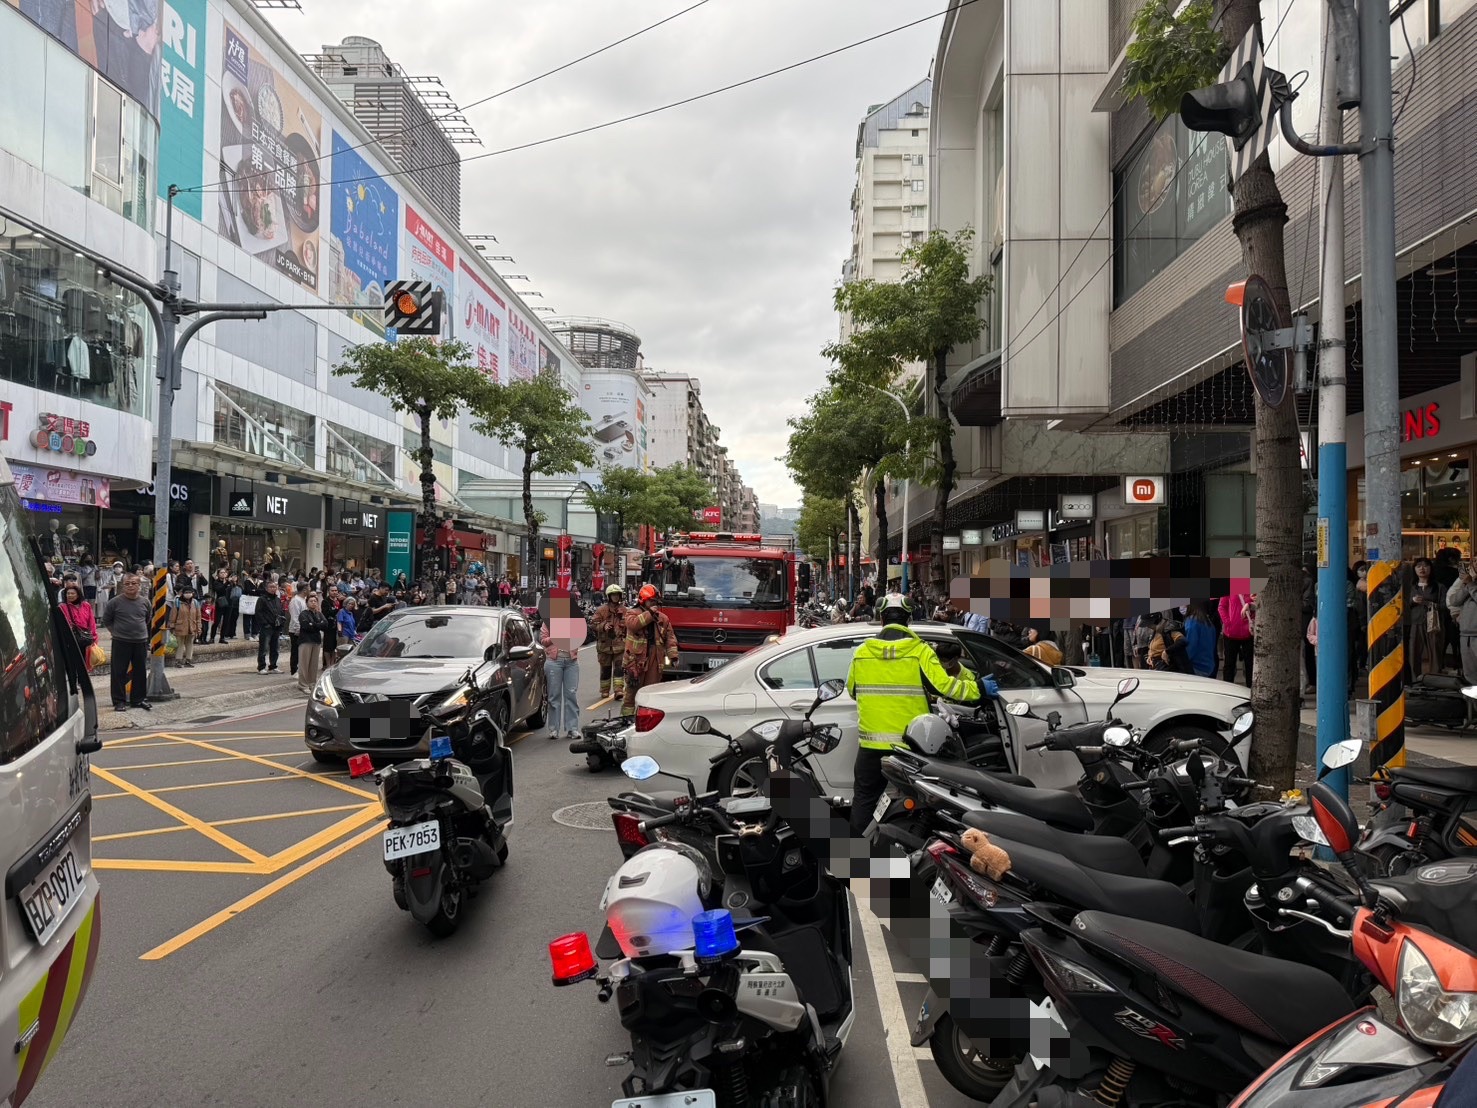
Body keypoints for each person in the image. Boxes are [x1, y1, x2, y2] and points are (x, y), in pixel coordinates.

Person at [845, 593, 986, 836]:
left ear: (881, 619)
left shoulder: (861, 653)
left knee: (864, 801)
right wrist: (978, 689)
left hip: (870, 746)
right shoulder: (920, 651)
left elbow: (852, 691)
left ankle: (854, 856)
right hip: (912, 746)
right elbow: (945, 687)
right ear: (909, 620)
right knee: (923, 804)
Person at [621, 584, 679, 718]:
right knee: (631, 695)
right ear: (643, 600)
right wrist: (650, 614)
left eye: (655, 601)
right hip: (635, 661)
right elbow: (633, 625)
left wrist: (673, 656)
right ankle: (626, 720)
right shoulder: (632, 613)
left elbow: (670, 638)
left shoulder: (663, 618)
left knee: (650, 693)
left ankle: (647, 721)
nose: (654, 604)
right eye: (651, 601)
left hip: (655, 660)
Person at [101, 572, 152, 711]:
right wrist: (116, 632)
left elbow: (147, 618)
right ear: (123, 586)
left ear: (139, 585)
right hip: (121, 641)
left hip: (140, 641)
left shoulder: (145, 602)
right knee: (118, 672)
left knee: (140, 671)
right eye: (127, 584)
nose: (130, 586)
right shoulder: (114, 602)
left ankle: (138, 700)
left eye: (134, 583)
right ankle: (119, 701)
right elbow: (107, 620)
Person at [540, 615, 581, 742]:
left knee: (571, 695)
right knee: (554, 696)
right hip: (554, 662)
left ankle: (572, 728)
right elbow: (543, 640)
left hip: (571, 662)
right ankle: (553, 729)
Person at [1410, 557, 1444, 679]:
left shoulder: (1439, 587)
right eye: (1418, 566)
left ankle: (1435, 679)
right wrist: (1413, 601)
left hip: (1434, 623)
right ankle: (1415, 680)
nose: (1422, 569)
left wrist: (1429, 603)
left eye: (1425, 566)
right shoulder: (1411, 587)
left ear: (1430, 568)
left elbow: (1445, 605)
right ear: (1414, 569)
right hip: (1415, 622)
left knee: (1435, 652)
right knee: (1414, 653)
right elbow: (1403, 604)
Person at [593, 584, 628, 699]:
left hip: (620, 645)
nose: (615, 597)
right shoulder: (601, 610)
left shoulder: (625, 611)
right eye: (613, 595)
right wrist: (603, 626)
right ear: (609, 596)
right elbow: (593, 624)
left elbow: (630, 626)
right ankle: (604, 690)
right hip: (604, 646)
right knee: (605, 669)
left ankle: (618, 690)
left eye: (617, 595)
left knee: (619, 669)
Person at [1446, 556, 1477, 684]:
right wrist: (1466, 584)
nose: (1476, 563)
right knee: (1470, 674)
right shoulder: (1470, 581)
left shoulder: (1471, 584)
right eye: (1475, 560)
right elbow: (1454, 600)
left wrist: (1471, 584)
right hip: (1465, 633)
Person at [1218, 585, 1255, 686]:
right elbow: (1221, 607)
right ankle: (1228, 689)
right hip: (1231, 634)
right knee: (1229, 665)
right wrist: (1228, 623)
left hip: (1249, 633)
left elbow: (1258, 605)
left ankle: (1250, 690)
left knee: (1250, 665)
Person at [60, 583, 98, 671]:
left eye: (72, 593)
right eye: (68, 593)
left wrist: (94, 636)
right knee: (72, 664)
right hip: (70, 639)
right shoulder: (62, 607)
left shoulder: (86, 605)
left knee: (83, 663)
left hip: (84, 638)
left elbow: (91, 622)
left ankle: (82, 678)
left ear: (78, 594)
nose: (70, 595)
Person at [296, 594, 328, 694]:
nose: (313, 603)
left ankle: (312, 683)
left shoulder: (319, 614)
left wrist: (313, 624)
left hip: (316, 641)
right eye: (311, 601)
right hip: (306, 640)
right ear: (307, 603)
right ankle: (303, 685)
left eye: (315, 601)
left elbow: (325, 624)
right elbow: (306, 626)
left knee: (314, 665)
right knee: (304, 664)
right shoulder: (303, 614)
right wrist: (318, 624)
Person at [255, 579, 286, 674]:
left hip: (276, 627)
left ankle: (273, 666)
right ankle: (261, 667)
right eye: (271, 587)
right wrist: (265, 623)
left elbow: (281, 612)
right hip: (266, 627)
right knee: (263, 648)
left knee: (275, 648)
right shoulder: (262, 599)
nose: (273, 589)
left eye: (274, 587)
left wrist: (281, 623)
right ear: (266, 588)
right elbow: (258, 613)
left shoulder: (277, 599)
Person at [1183, 601, 1218, 677]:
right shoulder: (1208, 622)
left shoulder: (1192, 623)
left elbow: (1189, 650)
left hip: (1196, 667)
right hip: (1208, 667)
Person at [169, 586, 202, 668]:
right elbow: (173, 615)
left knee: (190, 644)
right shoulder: (178, 602)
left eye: (189, 592)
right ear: (182, 594)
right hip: (180, 627)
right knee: (180, 644)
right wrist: (172, 626)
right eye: (186, 592)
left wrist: (199, 628)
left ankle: (188, 660)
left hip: (192, 627)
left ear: (192, 593)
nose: (188, 594)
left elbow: (198, 616)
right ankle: (178, 661)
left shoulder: (195, 603)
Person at [286, 582, 307, 677]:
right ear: (304, 590)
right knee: (295, 651)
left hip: (304, 629)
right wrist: (298, 629)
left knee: (302, 651)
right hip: (296, 630)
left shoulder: (304, 600)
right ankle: (294, 670)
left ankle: (301, 668)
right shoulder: (295, 601)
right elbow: (295, 617)